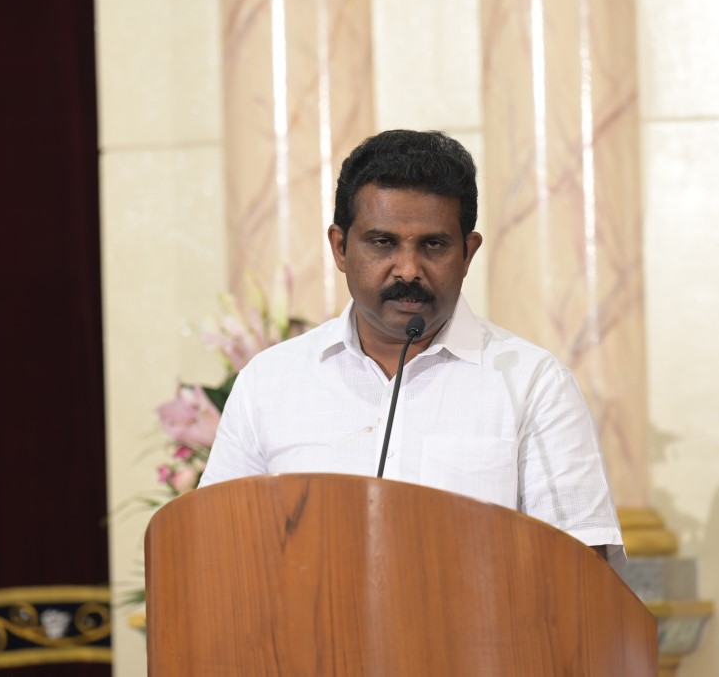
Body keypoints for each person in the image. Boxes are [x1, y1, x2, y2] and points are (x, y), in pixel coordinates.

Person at [199, 129, 624, 568]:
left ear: (467, 253)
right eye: (382, 243)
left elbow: (580, 571)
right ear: (340, 248)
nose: (408, 270)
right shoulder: (269, 381)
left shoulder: (533, 384)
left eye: (433, 245)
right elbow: (214, 546)